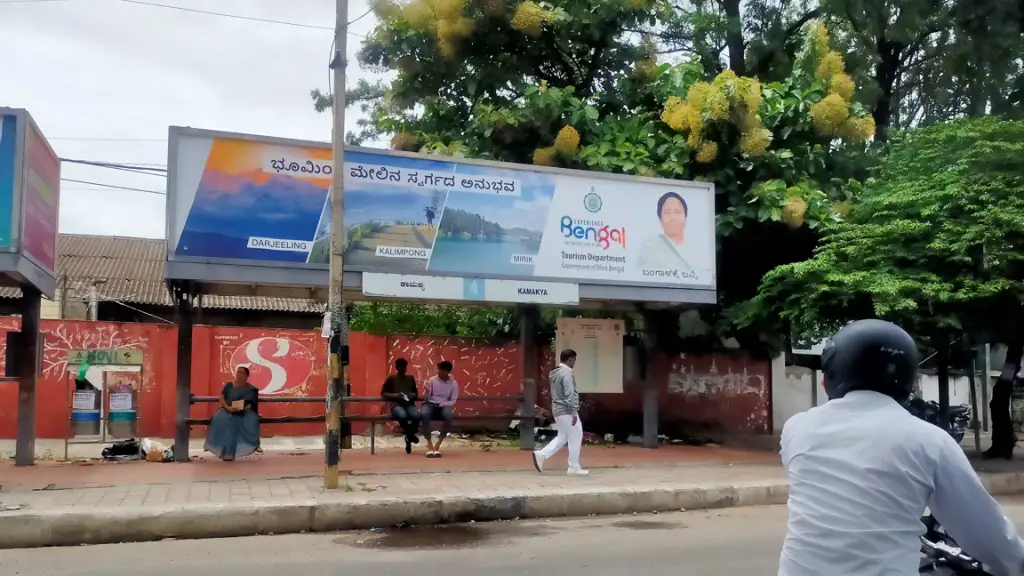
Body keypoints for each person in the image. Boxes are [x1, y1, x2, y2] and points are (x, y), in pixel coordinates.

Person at [779, 319, 1024, 576]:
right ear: (907, 377)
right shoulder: (929, 441)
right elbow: (986, 534)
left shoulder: (796, 429)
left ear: (829, 377)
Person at [531, 348, 588, 476]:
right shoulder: (566, 373)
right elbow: (569, 393)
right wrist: (574, 411)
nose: (574, 363)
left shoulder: (554, 372)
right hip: (566, 409)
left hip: (557, 409)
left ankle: (541, 455)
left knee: (563, 436)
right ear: (570, 359)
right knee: (576, 434)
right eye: (574, 360)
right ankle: (573, 467)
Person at [204, 366, 261, 461]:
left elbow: (251, 402)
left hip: (244, 411)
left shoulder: (251, 389)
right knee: (219, 419)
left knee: (250, 421)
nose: (239, 374)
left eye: (241, 373)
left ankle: (251, 446)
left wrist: (243, 409)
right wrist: (228, 408)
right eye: (237, 372)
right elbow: (221, 397)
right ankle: (225, 451)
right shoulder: (229, 385)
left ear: (247, 376)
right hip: (227, 409)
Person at [637, 191, 696, 274]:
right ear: (660, 219)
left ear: (685, 217)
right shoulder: (651, 249)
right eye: (667, 212)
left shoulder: (696, 251)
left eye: (677, 212)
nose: (673, 218)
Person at [381, 358, 421, 454]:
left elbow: (415, 392)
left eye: (405, 367)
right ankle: (410, 435)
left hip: (409, 404)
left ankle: (409, 436)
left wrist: (413, 395)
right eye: (401, 367)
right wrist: (395, 396)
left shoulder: (410, 379)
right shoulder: (391, 379)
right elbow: (383, 393)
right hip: (396, 405)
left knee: (417, 415)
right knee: (402, 415)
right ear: (397, 367)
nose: (403, 369)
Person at [421, 360, 458, 458]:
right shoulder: (432, 380)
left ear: (447, 371)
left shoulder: (453, 383)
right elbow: (427, 397)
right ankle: (429, 444)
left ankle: (438, 443)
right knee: (424, 414)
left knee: (448, 416)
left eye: (441, 370)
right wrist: (426, 392)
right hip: (431, 403)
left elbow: (453, 400)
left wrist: (444, 404)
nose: (439, 372)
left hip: (444, 404)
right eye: (439, 370)